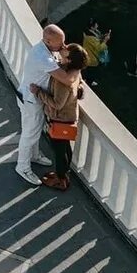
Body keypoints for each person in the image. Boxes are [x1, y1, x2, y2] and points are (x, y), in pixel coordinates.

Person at [16, 24, 77, 186]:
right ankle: (22, 167)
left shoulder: (44, 50)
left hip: (30, 97)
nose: (63, 46)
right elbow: (67, 79)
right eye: (60, 43)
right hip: (31, 100)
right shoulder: (44, 57)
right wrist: (78, 69)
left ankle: (34, 156)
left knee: (34, 131)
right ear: (48, 41)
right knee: (30, 134)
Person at [30, 42, 88, 191]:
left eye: (67, 50)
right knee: (65, 148)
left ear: (69, 60)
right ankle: (63, 173)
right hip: (68, 116)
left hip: (60, 118)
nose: (64, 47)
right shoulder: (74, 72)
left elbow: (57, 104)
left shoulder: (63, 80)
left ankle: (61, 179)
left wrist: (37, 92)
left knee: (59, 150)